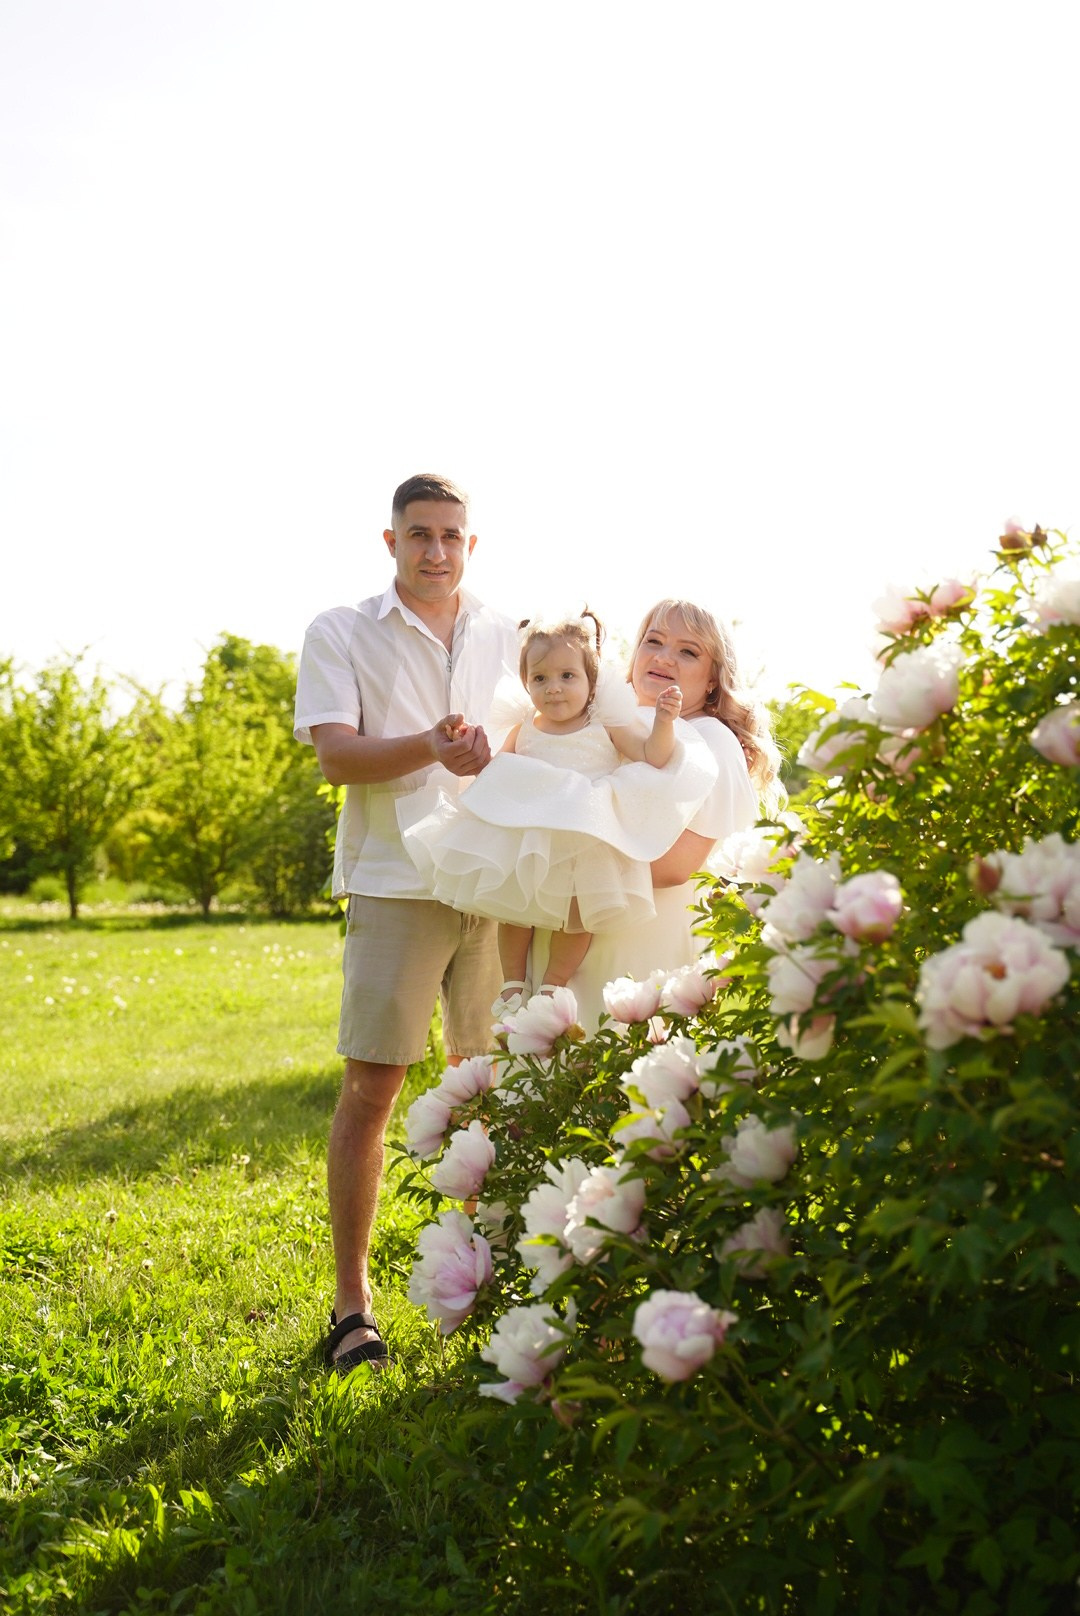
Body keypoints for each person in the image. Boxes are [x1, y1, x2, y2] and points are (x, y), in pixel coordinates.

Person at [294, 474, 519, 1374]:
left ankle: (483, 1282)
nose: (436, 549)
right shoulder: (341, 631)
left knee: (490, 1089)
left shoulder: (509, 634)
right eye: (419, 534)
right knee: (371, 1092)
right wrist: (430, 744)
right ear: (390, 542)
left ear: (472, 545)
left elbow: (552, 727)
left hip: (501, 886)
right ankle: (353, 1310)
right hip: (396, 881)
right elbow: (337, 758)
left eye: (452, 536)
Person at [401, 610, 708, 1008]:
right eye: (540, 678)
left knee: (580, 913)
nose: (554, 689)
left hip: (583, 834)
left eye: (568, 676)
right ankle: (512, 983)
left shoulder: (604, 724)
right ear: (526, 682)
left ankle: (553, 984)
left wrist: (664, 723)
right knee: (515, 910)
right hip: (527, 832)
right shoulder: (525, 725)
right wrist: (470, 747)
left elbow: (652, 755)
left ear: (590, 680)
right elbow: (493, 774)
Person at [530, 599, 780, 1030]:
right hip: (568, 941)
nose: (664, 657)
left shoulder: (710, 741)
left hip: (642, 961)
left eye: (688, 651)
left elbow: (675, 866)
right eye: (654, 641)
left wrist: (560, 880)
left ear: (713, 682)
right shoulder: (605, 726)